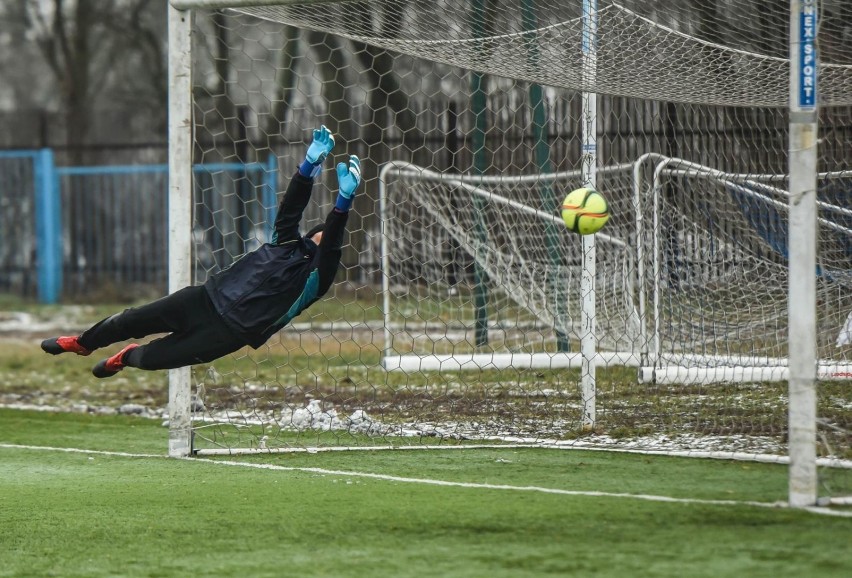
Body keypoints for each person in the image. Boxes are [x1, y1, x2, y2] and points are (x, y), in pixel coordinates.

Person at [41, 125, 361, 378]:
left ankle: (126, 356)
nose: (320, 241)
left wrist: (342, 204)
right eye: (316, 236)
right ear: (307, 236)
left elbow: (332, 245)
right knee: (130, 319)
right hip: (204, 299)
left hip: (228, 333)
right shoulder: (283, 242)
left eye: (324, 240)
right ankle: (82, 343)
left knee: (153, 360)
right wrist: (308, 166)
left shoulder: (316, 282)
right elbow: (291, 208)